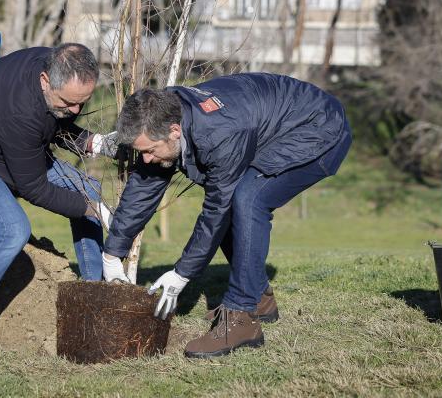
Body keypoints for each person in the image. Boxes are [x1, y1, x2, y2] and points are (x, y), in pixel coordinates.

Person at [101, 73, 352, 358]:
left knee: (248, 199)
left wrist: (182, 274)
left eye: (149, 151)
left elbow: (217, 210)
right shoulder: (164, 111)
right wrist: (112, 253)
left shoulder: (219, 133)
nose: (146, 159)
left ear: (174, 131)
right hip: (274, 122)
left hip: (319, 128)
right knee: (237, 199)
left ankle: (241, 317)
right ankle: (259, 298)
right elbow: (146, 183)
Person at [0, 43, 117, 365]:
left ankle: (93, 294)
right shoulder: (20, 109)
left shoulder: (54, 66)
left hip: (3, 152)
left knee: (88, 187)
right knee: (11, 230)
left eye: (82, 103)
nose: (75, 111)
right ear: (45, 80)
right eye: (69, 102)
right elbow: (34, 188)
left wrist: (95, 143)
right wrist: (93, 211)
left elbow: (54, 123)